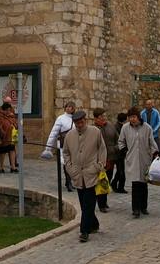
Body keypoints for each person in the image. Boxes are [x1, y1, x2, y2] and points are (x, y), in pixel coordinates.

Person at [63, 110, 107, 243]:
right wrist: (70, 168)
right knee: (84, 204)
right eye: (77, 122)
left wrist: (99, 165)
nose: (79, 124)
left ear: (85, 120)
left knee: (88, 203)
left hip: (91, 173)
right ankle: (94, 224)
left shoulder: (95, 132)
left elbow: (102, 149)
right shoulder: (69, 135)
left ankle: (84, 231)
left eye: (81, 122)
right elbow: (66, 153)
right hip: (77, 175)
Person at [118, 106, 159, 218]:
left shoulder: (147, 128)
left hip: (144, 159)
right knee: (135, 184)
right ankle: (135, 209)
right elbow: (121, 141)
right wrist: (125, 151)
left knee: (143, 184)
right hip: (132, 159)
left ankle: (143, 207)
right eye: (130, 117)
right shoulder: (125, 128)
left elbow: (152, 142)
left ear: (138, 117)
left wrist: (155, 153)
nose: (132, 119)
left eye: (134, 117)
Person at [42, 100, 76, 191]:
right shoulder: (61, 118)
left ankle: (69, 182)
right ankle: (69, 183)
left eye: (71, 107)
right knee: (66, 163)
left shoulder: (76, 118)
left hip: (74, 144)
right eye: (68, 107)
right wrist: (48, 148)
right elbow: (54, 133)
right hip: (64, 143)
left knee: (73, 163)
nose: (69, 108)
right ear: (65, 108)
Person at [92, 107, 119, 212]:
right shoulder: (93, 130)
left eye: (104, 116)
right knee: (100, 181)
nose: (103, 118)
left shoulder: (111, 127)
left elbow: (118, 139)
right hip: (99, 161)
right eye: (101, 117)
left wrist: (115, 149)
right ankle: (101, 204)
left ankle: (104, 201)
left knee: (108, 179)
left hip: (111, 159)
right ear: (95, 119)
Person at [0, 101, 18, 173]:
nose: (8, 111)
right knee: (3, 152)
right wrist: (4, 132)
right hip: (4, 137)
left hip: (11, 137)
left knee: (12, 151)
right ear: (3, 110)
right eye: (7, 110)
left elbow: (15, 123)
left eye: (9, 110)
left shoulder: (11, 116)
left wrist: (15, 126)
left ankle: (13, 167)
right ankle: (1, 167)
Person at [110, 112, 128, 193]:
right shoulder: (118, 127)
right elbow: (120, 139)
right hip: (118, 152)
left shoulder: (119, 126)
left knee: (120, 170)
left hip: (120, 152)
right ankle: (120, 187)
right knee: (121, 171)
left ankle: (114, 184)